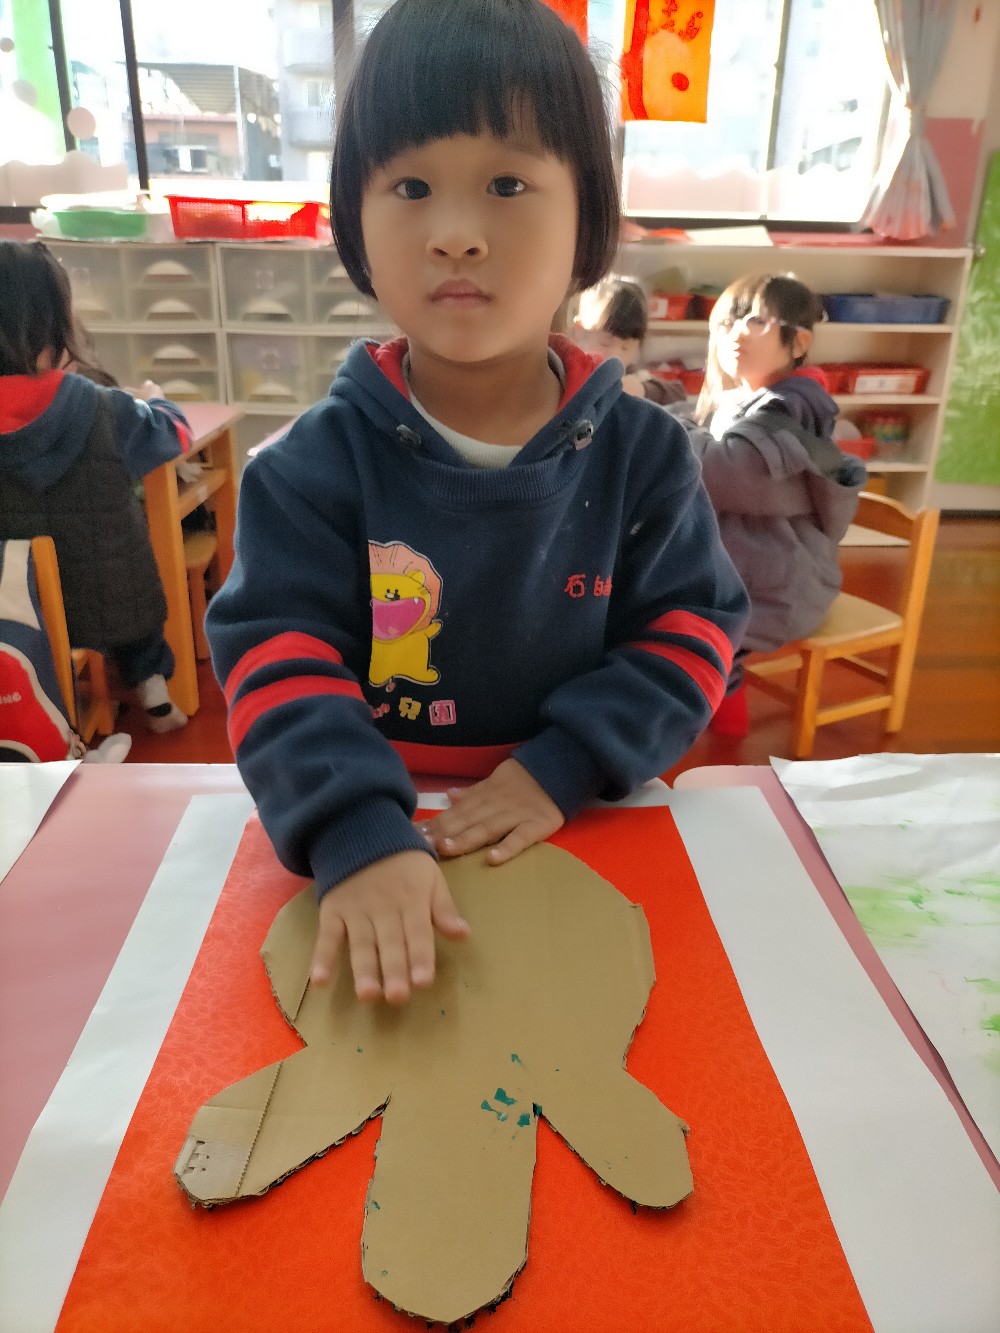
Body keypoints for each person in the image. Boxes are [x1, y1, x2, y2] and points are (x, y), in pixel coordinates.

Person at [205, 0, 749, 1006]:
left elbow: (692, 631)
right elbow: (276, 659)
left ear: (587, 217)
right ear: (354, 223)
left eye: (507, 183)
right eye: (410, 187)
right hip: (369, 835)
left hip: (583, 816)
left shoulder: (646, 457)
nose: (455, 235)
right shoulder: (303, 469)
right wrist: (352, 829)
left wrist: (565, 765)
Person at [0, 239, 192, 733]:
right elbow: (175, 435)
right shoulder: (98, 404)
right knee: (129, 584)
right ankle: (152, 685)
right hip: (112, 605)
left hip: (18, 614)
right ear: (54, 322)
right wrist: (157, 400)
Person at [668, 273, 867, 736]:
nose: (736, 333)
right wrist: (657, 399)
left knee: (695, 635)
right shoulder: (747, 398)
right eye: (727, 322)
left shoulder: (792, 406)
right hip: (751, 566)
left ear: (799, 341)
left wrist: (656, 424)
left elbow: (725, 470)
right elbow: (693, 417)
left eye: (756, 321)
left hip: (782, 582)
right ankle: (714, 719)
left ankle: (722, 732)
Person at [575, 278, 686, 405]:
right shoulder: (572, 369)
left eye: (625, 347)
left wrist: (643, 390)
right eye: (605, 343)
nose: (615, 355)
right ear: (580, 330)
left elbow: (678, 394)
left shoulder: (631, 376)